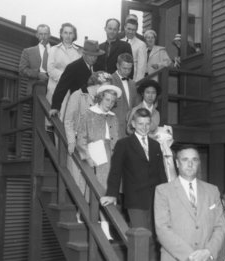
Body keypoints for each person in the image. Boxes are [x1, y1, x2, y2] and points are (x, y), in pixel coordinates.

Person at [100, 108, 167, 260]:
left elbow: (161, 173)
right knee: (140, 237)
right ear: (134, 124)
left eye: (147, 123)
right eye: (140, 123)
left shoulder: (156, 145)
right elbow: (115, 171)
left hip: (156, 199)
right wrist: (111, 194)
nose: (144, 127)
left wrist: (168, 196)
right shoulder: (123, 144)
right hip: (135, 199)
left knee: (154, 239)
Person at [154, 145, 225, 261]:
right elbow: (162, 229)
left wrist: (208, 251)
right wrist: (190, 256)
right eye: (185, 160)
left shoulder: (212, 190)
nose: (190, 164)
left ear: (199, 163)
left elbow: (220, 226)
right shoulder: (163, 191)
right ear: (177, 163)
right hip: (176, 258)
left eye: (194, 159)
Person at [64, 71, 112, 223]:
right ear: (96, 84)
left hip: (95, 145)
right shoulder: (78, 96)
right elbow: (68, 120)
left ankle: (85, 214)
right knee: (78, 180)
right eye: (105, 87)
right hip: (79, 144)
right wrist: (71, 140)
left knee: (92, 181)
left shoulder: (101, 101)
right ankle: (81, 213)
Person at [76, 84, 122, 240]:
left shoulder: (113, 117)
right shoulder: (88, 114)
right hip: (96, 154)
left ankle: (83, 215)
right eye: (107, 99)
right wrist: (87, 157)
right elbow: (81, 138)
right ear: (101, 98)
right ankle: (103, 225)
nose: (109, 103)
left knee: (108, 189)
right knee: (100, 190)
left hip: (111, 156)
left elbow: (117, 139)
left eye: (112, 101)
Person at [126, 79, 176, 182]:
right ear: (142, 94)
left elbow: (154, 130)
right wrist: (147, 137)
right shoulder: (136, 110)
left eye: (153, 93)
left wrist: (165, 135)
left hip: (153, 148)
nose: (150, 96)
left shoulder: (156, 113)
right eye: (147, 92)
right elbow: (129, 130)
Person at [49, 40, 104, 118]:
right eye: (91, 56)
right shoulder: (73, 67)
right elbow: (61, 88)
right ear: (84, 54)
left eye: (96, 56)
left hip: (97, 110)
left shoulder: (99, 67)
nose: (94, 58)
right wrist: (55, 107)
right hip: (79, 109)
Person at [46, 23, 82, 120]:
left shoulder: (78, 52)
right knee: (53, 118)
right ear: (61, 34)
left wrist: (70, 80)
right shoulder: (54, 49)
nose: (68, 35)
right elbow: (50, 69)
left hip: (71, 89)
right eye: (65, 33)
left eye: (70, 33)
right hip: (55, 86)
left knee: (67, 117)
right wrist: (66, 78)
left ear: (74, 35)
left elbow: (79, 72)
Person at [111, 53, 140, 138]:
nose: (127, 71)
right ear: (117, 65)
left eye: (129, 69)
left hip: (128, 129)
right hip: (113, 127)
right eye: (124, 68)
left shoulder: (133, 84)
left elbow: (134, 106)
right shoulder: (109, 80)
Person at [19, 24, 51, 94]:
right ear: (37, 35)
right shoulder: (28, 51)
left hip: (52, 91)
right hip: (34, 90)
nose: (43, 36)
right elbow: (22, 70)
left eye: (45, 34)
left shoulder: (56, 52)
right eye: (41, 34)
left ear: (49, 35)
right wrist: (37, 74)